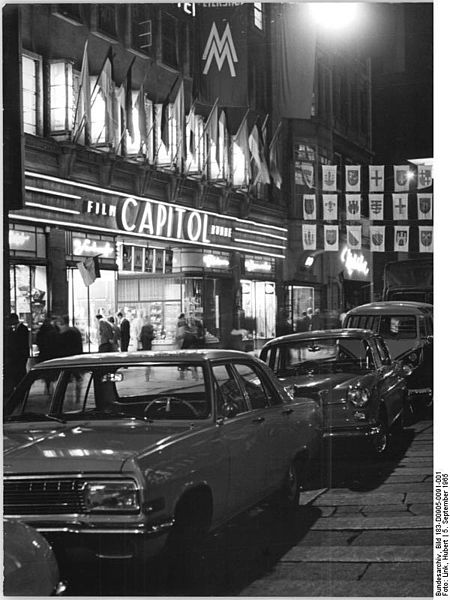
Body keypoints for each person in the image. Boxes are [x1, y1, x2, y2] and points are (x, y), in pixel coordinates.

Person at [5, 313, 30, 396]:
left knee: (21, 370)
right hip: (17, 355)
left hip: (21, 354)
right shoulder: (13, 329)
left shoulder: (23, 329)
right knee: (17, 371)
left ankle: (22, 388)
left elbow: (22, 343)